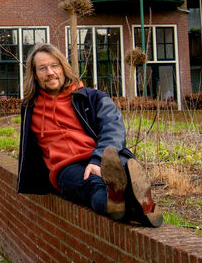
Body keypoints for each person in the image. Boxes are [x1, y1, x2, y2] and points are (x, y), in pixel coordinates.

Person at [15, 42, 162, 227]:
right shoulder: (30, 108)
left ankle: (129, 201)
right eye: (42, 68)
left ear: (63, 67)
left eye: (54, 66)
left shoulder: (92, 97)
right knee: (94, 186)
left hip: (103, 157)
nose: (50, 72)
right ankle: (138, 205)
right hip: (66, 168)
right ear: (35, 75)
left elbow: (113, 129)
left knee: (119, 174)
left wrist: (97, 160)